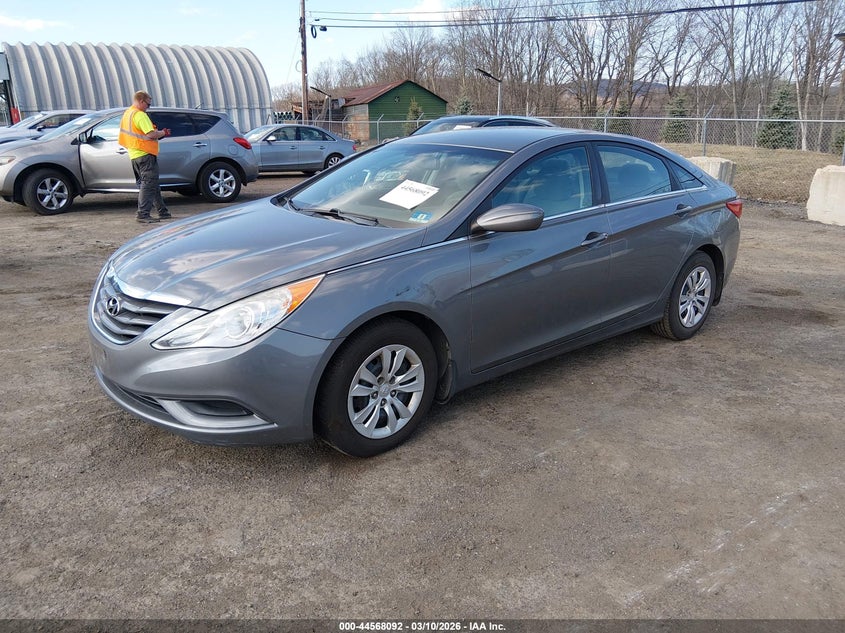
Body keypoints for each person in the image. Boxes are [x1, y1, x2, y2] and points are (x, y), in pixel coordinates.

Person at [118, 90, 172, 223]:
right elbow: (151, 134)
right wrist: (163, 133)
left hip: (135, 154)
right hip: (145, 153)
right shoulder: (140, 115)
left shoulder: (128, 113)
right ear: (141, 101)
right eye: (148, 104)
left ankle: (162, 211)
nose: (148, 107)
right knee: (148, 184)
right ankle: (143, 214)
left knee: (151, 184)